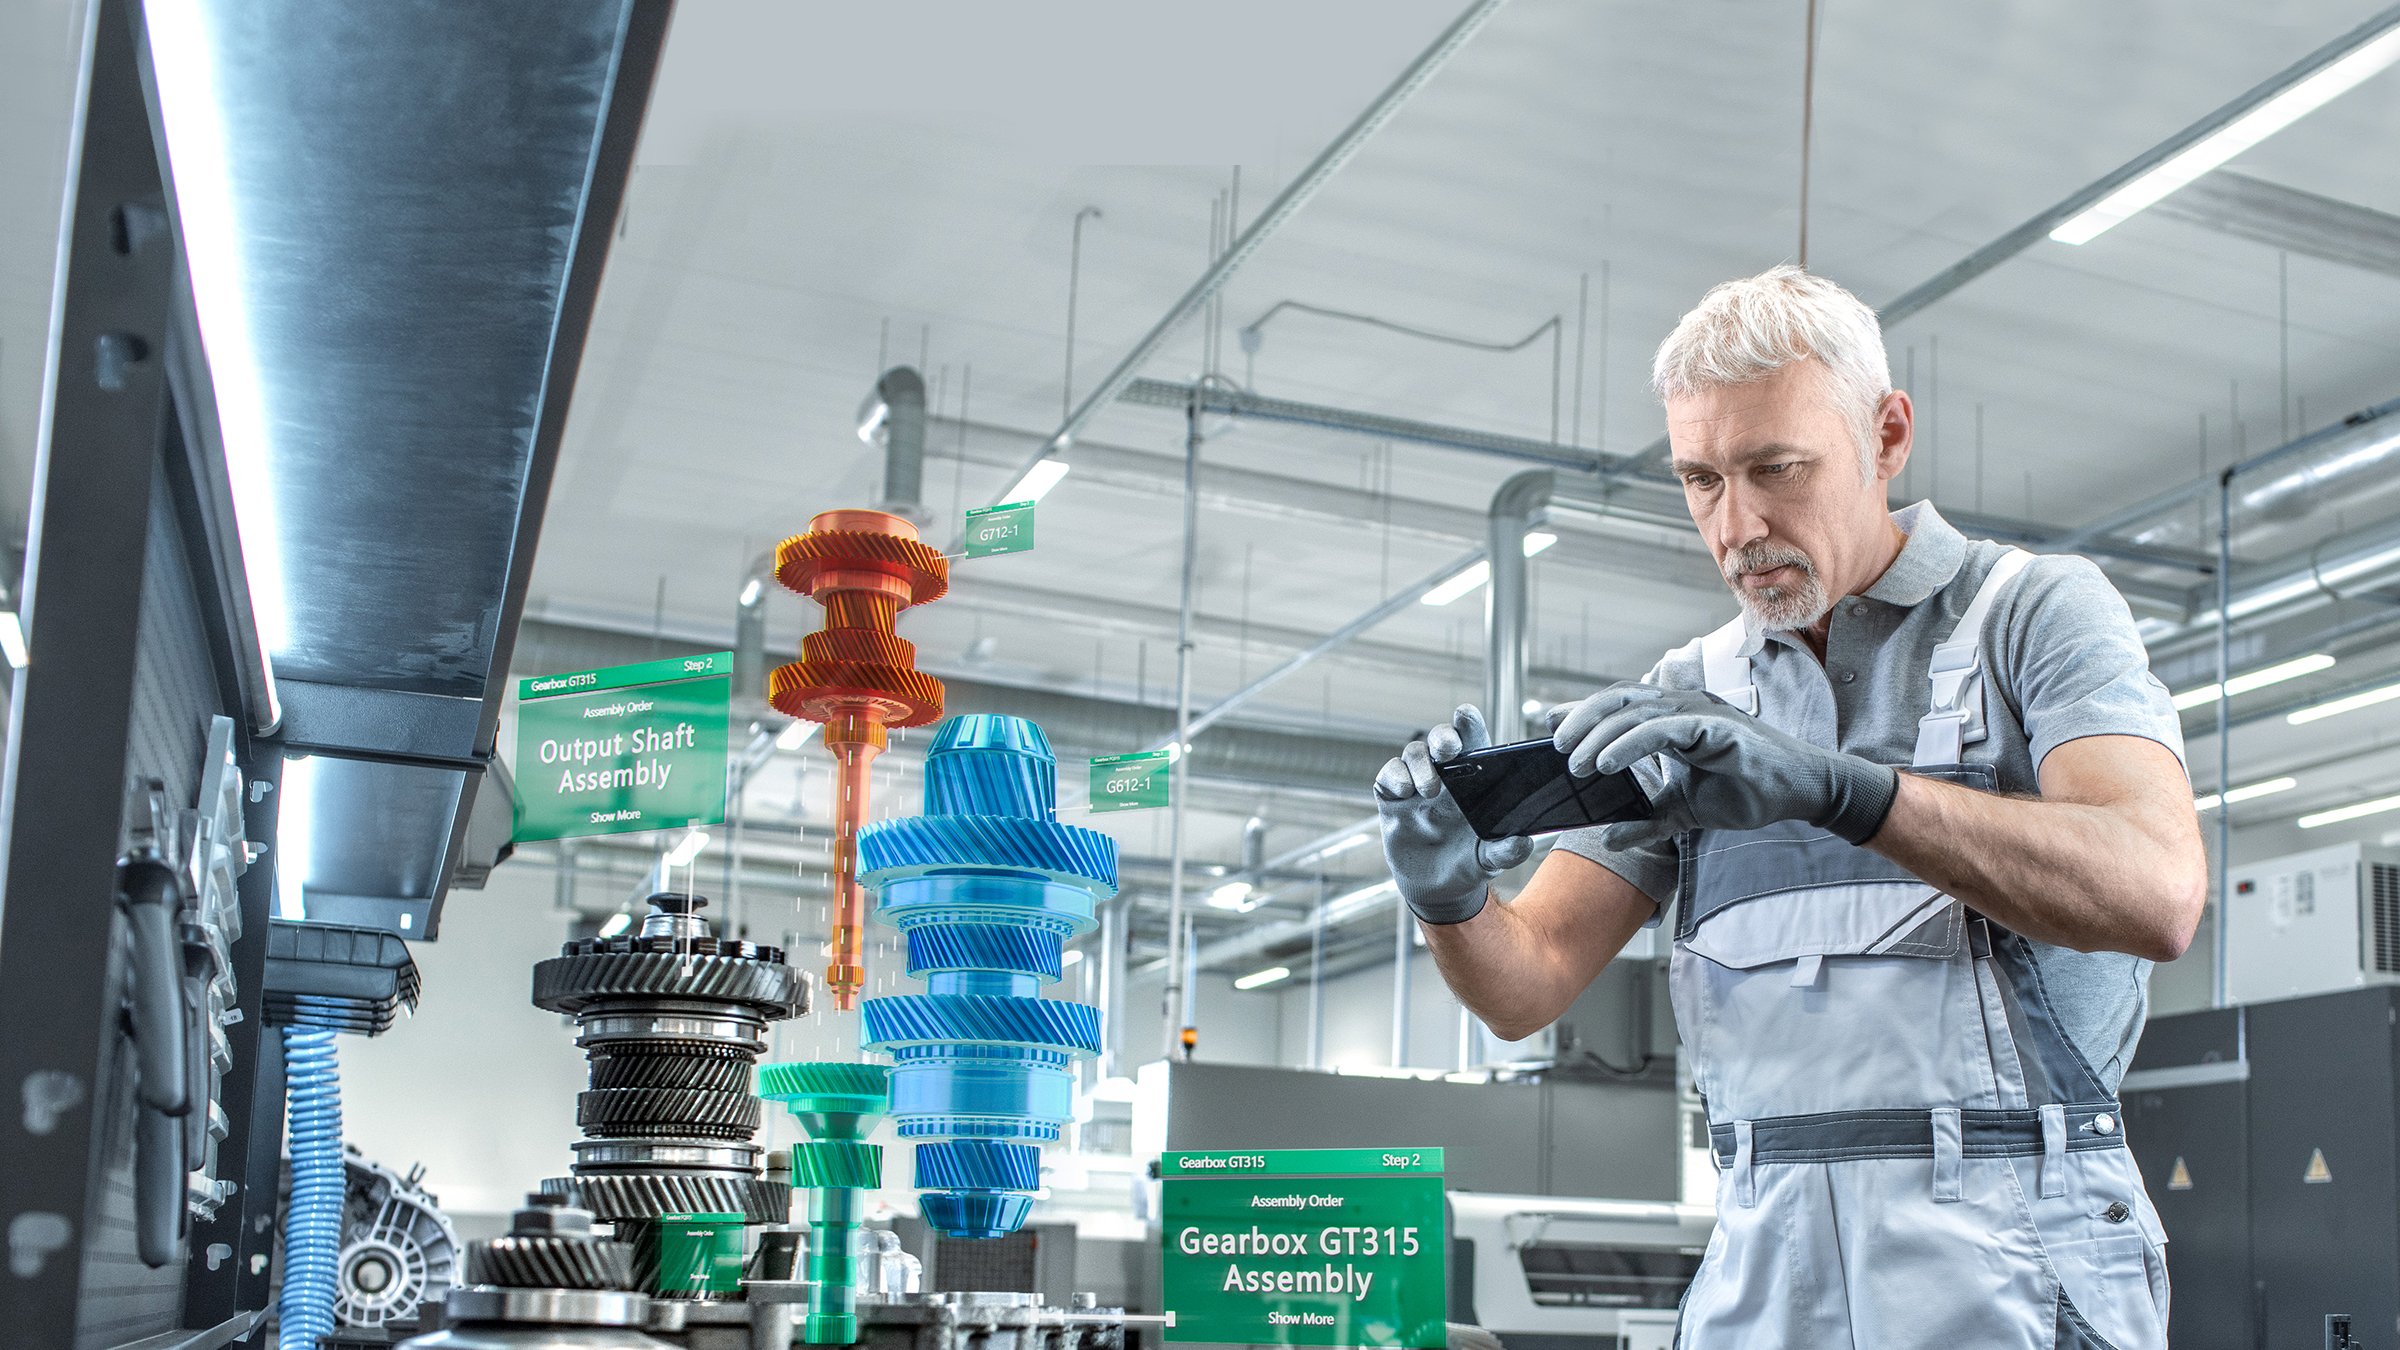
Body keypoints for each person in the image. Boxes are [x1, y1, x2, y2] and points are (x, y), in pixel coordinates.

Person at [1375, 266, 2205, 1348]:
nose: (1739, 523)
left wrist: (1840, 791)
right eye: (1700, 479)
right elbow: (1526, 984)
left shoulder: (2032, 615)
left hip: (2012, 1256)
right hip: (1767, 1266)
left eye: (1778, 468)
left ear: (1888, 435)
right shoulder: (1691, 691)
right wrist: (1446, 894)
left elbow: (2156, 889)